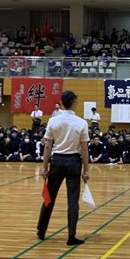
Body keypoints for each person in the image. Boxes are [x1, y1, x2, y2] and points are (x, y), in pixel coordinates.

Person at [36, 90, 90, 246]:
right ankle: (71, 236)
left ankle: (41, 230)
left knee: (49, 197)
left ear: (62, 103)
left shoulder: (53, 121)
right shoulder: (81, 123)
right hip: (74, 162)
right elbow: (84, 149)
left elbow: (47, 146)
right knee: (72, 201)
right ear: (74, 102)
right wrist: (86, 170)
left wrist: (44, 167)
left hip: (57, 161)